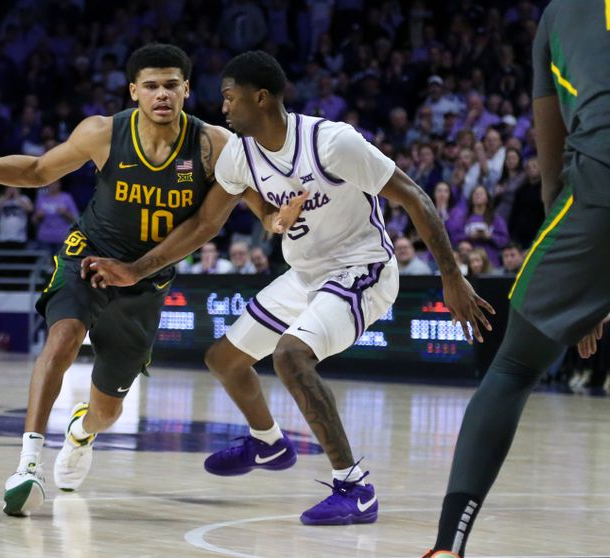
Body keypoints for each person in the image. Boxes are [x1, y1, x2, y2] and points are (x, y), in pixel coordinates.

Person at [81, 50, 492, 527]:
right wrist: (136, 268)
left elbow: (416, 197)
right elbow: (204, 225)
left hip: (362, 269)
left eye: (231, 99)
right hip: (305, 275)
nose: (224, 109)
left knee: (291, 356)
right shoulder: (240, 155)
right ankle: (269, 443)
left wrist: (451, 275)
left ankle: (355, 487)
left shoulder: (332, 142)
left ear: (261, 98)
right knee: (224, 359)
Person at [0, 44, 251, 517]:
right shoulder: (103, 132)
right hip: (87, 258)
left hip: (145, 281)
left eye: (171, 85)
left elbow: (206, 226)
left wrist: (279, 218)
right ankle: (28, 465)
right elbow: (36, 170)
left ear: (187, 89)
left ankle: (81, 432)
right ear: (134, 91)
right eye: (151, 85)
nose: (162, 94)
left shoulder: (212, 145)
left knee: (108, 411)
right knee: (62, 339)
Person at [424, 2, 610, 556]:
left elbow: (550, 135)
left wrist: (577, 263)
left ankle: (447, 549)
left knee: (514, 365)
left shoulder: (560, 13)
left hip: (598, 186)